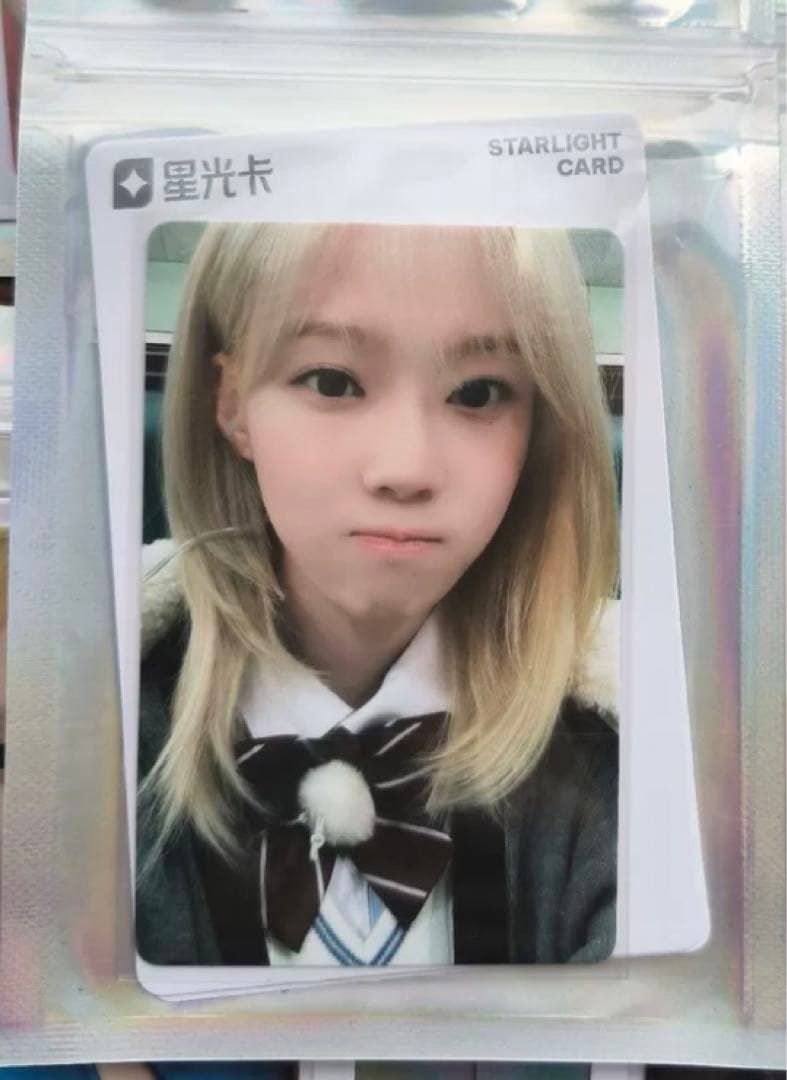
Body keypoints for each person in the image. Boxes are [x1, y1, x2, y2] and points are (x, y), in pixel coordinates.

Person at [137, 222, 620, 968]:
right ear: (230, 402)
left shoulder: (635, 757)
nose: (405, 468)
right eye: (332, 381)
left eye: (477, 392)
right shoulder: (82, 726)